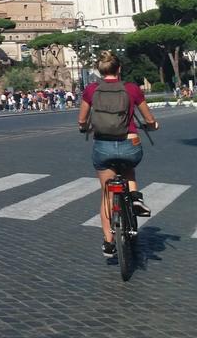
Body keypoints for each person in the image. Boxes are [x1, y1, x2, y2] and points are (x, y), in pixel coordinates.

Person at [78, 50, 159, 259]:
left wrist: (83, 127)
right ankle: (134, 198)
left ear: (99, 70)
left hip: (103, 146)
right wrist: (152, 125)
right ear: (119, 69)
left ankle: (108, 243)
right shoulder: (131, 89)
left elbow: (81, 120)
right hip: (129, 142)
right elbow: (148, 117)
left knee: (107, 194)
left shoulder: (91, 90)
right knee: (129, 165)